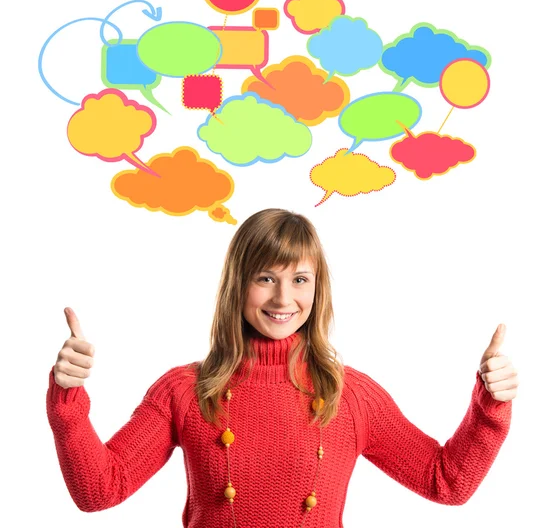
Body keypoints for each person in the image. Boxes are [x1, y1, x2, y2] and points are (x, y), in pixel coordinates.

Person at [47, 208, 517, 528]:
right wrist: (68, 402)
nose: (283, 299)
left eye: (299, 279)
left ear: (318, 289)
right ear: (238, 285)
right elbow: (100, 490)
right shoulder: (185, 390)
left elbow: (446, 482)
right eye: (265, 278)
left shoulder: (347, 394)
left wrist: (491, 406)